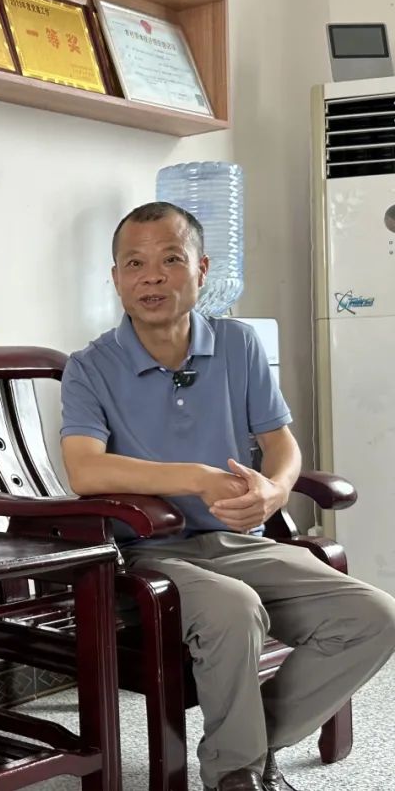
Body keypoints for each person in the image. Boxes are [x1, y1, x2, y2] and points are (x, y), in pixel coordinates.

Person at [59, 202, 395, 791]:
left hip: (242, 542)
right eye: (134, 263)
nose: (152, 276)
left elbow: (281, 444)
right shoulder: (90, 367)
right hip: (148, 555)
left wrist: (274, 490)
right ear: (115, 278)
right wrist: (196, 476)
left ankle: (245, 746)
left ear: (202, 268)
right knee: (232, 607)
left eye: (171, 259)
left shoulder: (238, 345)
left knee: (375, 617)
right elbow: (85, 471)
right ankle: (235, 775)